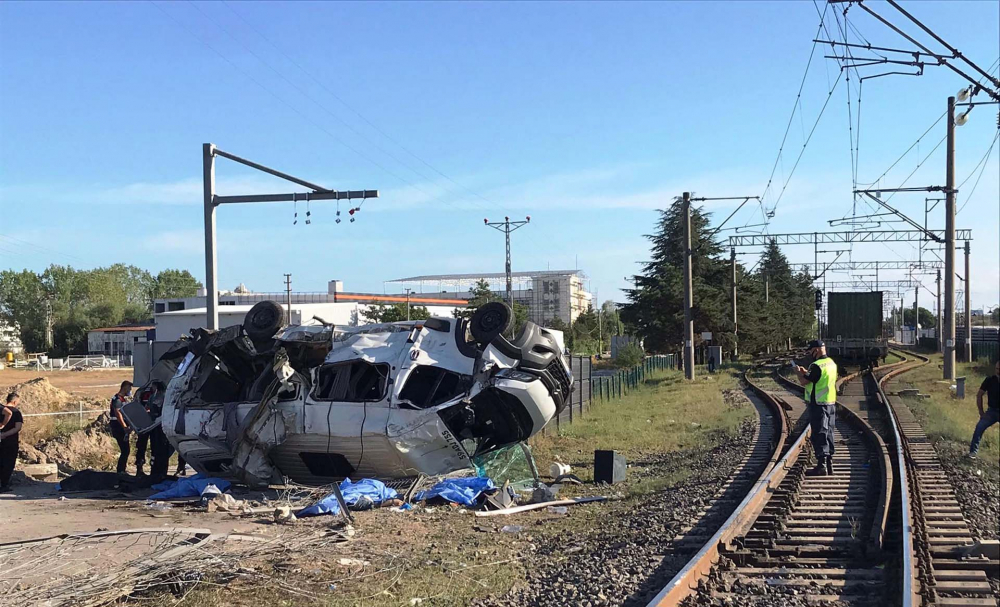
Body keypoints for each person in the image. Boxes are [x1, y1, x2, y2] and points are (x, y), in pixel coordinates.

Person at [794, 340, 838, 476]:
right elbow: (818, 378)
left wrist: (798, 372)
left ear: (817, 350)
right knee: (828, 432)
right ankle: (829, 465)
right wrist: (806, 372)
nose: (809, 353)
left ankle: (821, 466)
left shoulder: (817, 365)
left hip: (818, 404)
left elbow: (804, 381)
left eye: (810, 350)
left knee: (819, 433)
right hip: (830, 402)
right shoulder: (831, 363)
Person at [968, 360, 1000, 459]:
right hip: (992, 411)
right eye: (997, 369)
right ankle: (973, 452)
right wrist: (981, 412)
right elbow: (979, 395)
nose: (998, 371)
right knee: (979, 428)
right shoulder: (990, 380)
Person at [0, 392, 24, 492]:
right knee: (8, 463)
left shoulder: (1, 410)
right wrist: (5, 434)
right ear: (14, 401)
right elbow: (17, 428)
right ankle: (4, 485)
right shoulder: (16, 413)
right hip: (11, 442)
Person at [108, 381, 133, 476]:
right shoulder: (117, 400)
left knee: (126, 449)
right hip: (118, 427)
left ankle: (122, 469)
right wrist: (125, 427)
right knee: (125, 449)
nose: (130, 391)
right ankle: (120, 470)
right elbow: (118, 414)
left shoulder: (122, 399)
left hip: (121, 427)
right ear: (125, 388)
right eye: (129, 389)